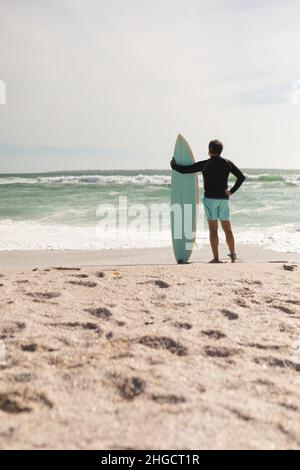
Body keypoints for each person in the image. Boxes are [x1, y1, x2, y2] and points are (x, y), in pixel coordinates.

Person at [170, 139, 245, 263]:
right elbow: (241, 177)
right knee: (227, 229)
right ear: (221, 150)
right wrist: (231, 191)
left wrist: (174, 166)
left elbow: (186, 170)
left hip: (210, 200)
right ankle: (233, 255)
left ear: (209, 151)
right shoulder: (227, 163)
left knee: (213, 230)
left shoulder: (205, 164)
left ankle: (216, 258)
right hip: (223, 200)